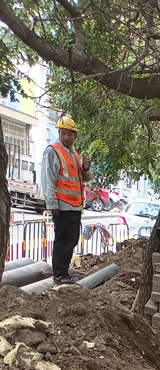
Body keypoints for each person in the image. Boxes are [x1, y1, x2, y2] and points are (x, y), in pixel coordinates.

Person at [40, 115, 91, 285]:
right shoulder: (53, 151)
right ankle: (59, 274)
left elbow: (83, 179)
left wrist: (85, 169)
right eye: (63, 133)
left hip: (75, 206)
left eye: (70, 134)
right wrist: (52, 204)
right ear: (59, 133)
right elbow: (47, 179)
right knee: (63, 240)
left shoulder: (73, 154)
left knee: (72, 240)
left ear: (75, 135)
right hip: (62, 206)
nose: (66, 137)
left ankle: (63, 272)